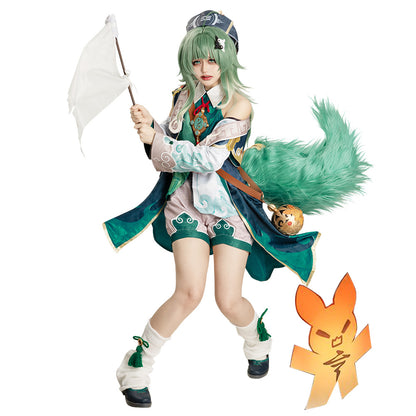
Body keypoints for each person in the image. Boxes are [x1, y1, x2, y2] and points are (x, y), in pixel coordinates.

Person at [104, 10, 320, 408]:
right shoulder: (182, 97)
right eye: (196, 60)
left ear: (228, 59)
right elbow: (170, 146)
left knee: (228, 300)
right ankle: (135, 367)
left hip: (229, 208)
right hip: (184, 202)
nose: (204, 68)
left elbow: (209, 158)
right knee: (188, 293)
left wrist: (156, 140)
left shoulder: (239, 105)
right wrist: (153, 127)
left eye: (212, 59)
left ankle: (257, 340)